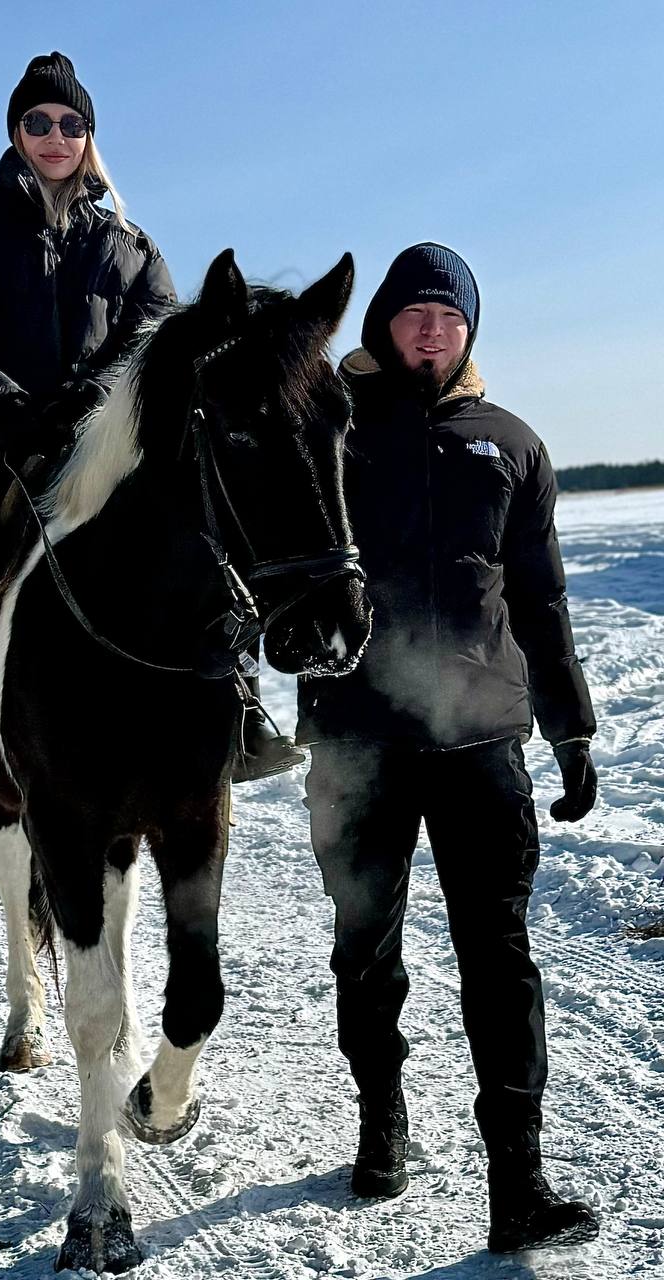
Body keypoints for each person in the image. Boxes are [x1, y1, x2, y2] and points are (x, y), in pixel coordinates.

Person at [0, 53, 298, 822]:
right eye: (39, 122)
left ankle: (240, 707)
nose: (56, 136)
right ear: (16, 132)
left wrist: (96, 392)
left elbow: (161, 337)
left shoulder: (130, 245)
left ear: (89, 136)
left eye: (71, 124)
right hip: (2, 443)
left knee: (211, 533)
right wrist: (7, 408)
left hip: (111, 444)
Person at [298, 243, 600, 1253]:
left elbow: (541, 599)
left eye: (451, 313)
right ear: (383, 321)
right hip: (357, 737)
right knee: (364, 945)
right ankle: (381, 1120)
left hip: (481, 739)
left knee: (499, 955)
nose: (433, 327)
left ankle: (519, 1177)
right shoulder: (328, 430)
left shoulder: (509, 442)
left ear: (470, 329)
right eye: (415, 310)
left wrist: (572, 725)